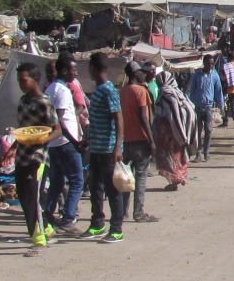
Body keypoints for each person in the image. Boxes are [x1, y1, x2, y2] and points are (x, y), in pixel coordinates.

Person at [12, 61, 61, 247]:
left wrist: (41, 140)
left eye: (24, 80)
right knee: (23, 196)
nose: (21, 84)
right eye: (19, 81)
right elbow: (22, 129)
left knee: (32, 198)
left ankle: (38, 239)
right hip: (22, 156)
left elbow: (57, 130)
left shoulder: (44, 103)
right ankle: (47, 228)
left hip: (37, 158)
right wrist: (11, 148)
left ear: (35, 80)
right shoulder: (23, 101)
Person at [83, 52, 126, 243]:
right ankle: (97, 223)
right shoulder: (99, 90)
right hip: (97, 149)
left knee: (112, 190)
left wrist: (117, 147)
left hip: (108, 150)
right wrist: (89, 140)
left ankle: (116, 229)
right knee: (95, 188)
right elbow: (99, 122)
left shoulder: (109, 90)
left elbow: (118, 118)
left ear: (93, 68)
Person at [43, 54, 86, 237]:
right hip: (64, 142)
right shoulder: (61, 91)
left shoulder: (51, 89)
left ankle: (46, 216)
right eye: (74, 70)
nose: (76, 73)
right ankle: (67, 220)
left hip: (54, 144)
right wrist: (75, 141)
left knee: (57, 182)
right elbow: (60, 121)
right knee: (77, 181)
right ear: (64, 70)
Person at [121, 61, 158, 222]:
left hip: (126, 140)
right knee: (141, 178)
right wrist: (151, 140)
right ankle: (138, 212)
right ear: (136, 73)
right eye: (141, 72)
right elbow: (144, 117)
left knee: (126, 178)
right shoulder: (141, 91)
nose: (144, 74)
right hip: (141, 140)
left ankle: (123, 211)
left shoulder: (122, 92)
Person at [151, 65, 194, 190]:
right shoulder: (178, 92)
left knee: (168, 155)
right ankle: (179, 177)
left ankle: (174, 180)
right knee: (178, 154)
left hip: (168, 131)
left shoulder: (165, 93)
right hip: (179, 130)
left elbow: (169, 112)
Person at [188, 54, 225, 161]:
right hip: (198, 107)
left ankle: (206, 151)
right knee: (198, 131)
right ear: (204, 63)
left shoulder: (215, 76)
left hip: (209, 107)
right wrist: (191, 104)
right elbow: (191, 91)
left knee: (208, 130)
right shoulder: (196, 75)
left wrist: (221, 105)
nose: (210, 65)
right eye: (208, 63)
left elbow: (219, 91)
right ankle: (198, 153)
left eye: (212, 63)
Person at [220, 49, 234, 127]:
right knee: (233, 106)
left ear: (228, 58)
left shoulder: (225, 66)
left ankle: (226, 122)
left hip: (227, 89)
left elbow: (222, 78)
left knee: (226, 106)